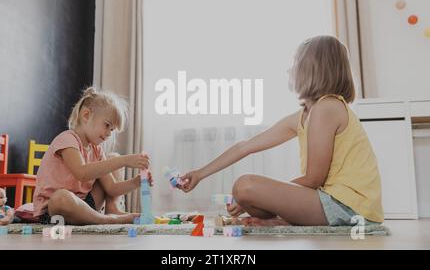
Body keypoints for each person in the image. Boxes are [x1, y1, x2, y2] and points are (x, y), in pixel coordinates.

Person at [180, 35, 384, 227]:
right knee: (247, 193)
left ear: (312, 70)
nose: (289, 70)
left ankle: (285, 219)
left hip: (348, 208)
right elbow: (245, 147)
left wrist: (268, 194)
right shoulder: (304, 115)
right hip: (329, 201)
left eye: (295, 63)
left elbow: (314, 179)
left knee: (245, 187)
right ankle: (285, 220)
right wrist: (200, 173)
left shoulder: (326, 108)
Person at [33, 87, 151, 225]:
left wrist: (136, 182)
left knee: (113, 157)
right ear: (86, 115)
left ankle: (112, 210)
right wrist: (124, 160)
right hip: (55, 209)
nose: (108, 134)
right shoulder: (67, 139)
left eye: (112, 130)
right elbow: (82, 173)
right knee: (61, 197)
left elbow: (112, 188)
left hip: (84, 205)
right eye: (107, 125)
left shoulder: (96, 150)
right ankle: (105, 220)